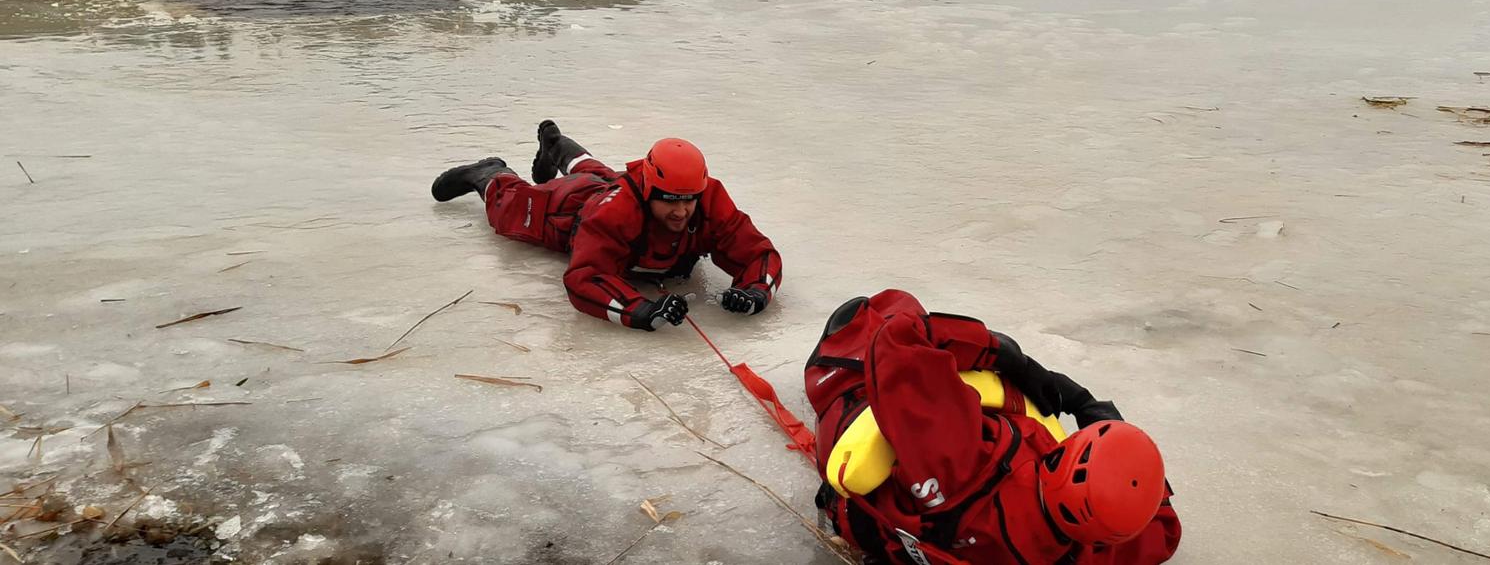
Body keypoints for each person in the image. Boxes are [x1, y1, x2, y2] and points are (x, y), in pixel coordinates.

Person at [804, 290, 1181, 565]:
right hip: (951, 529)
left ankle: (840, 354)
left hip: (876, 486)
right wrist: (1138, 478)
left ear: (1060, 462)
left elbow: (900, 341)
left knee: (883, 323)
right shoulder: (1088, 553)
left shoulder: (963, 458)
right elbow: (1163, 533)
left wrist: (1008, 356)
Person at [430, 120, 781, 331]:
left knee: (601, 175)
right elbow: (584, 279)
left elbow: (757, 253)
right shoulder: (616, 213)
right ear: (648, 190)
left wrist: (754, 292)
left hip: (609, 185)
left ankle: (556, 146)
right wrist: (641, 311)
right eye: (671, 201)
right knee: (511, 208)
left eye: (689, 200)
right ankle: (489, 170)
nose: (682, 211)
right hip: (571, 210)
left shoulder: (706, 199)